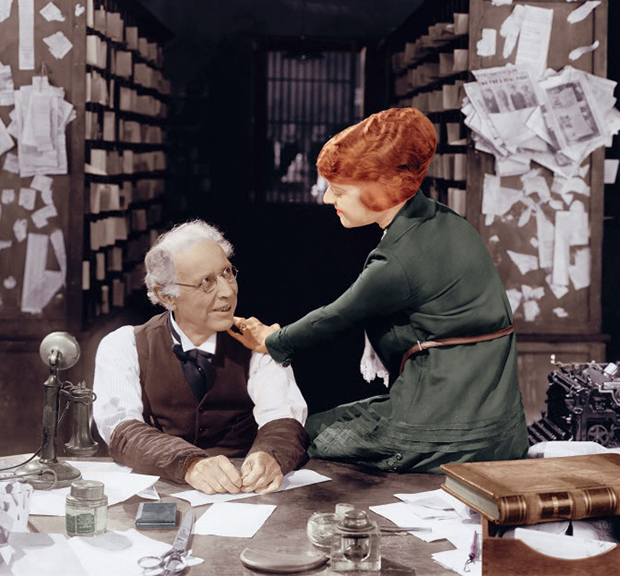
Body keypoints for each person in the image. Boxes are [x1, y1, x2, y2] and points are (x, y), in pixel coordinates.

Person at [230, 107, 529, 474]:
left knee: (305, 435)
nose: (327, 199)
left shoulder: (397, 260)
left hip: (444, 432)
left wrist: (272, 341)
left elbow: (336, 316)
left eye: (338, 190)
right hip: (503, 427)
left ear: (379, 188)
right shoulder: (450, 222)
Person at [93, 221, 309, 494]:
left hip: (243, 493)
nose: (227, 291)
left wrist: (270, 456)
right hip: (159, 493)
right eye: (206, 282)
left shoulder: (257, 342)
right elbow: (121, 431)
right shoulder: (124, 345)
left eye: (227, 273)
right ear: (166, 295)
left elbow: (285, 419)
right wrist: (190, 464)